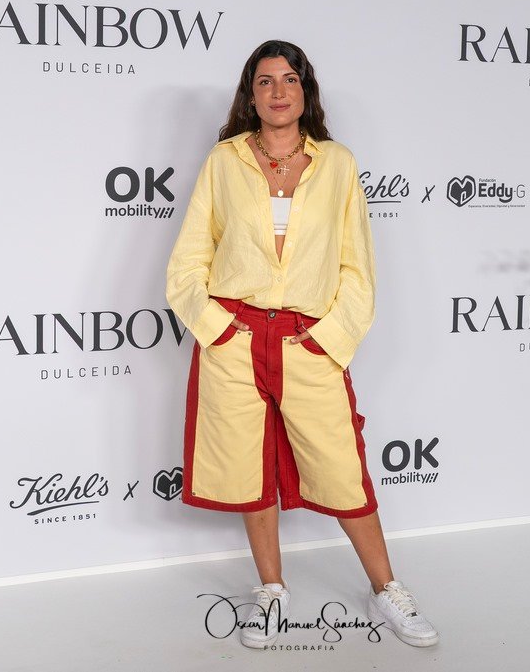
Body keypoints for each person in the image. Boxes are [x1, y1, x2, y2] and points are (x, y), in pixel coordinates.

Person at [165, 39, 438, 649]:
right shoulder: (224, 161)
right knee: (246, 468)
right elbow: (188, 263)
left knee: (342, 469)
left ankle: (387, 588)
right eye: (265, 81)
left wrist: (330, 339)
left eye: (290, 79)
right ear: (250, 93)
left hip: (306, 340)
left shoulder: (336, 163)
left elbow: (357, 269)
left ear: (306, 90)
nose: (278, 91)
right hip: (235, 339)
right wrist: (217, 328)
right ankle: (272, 590)